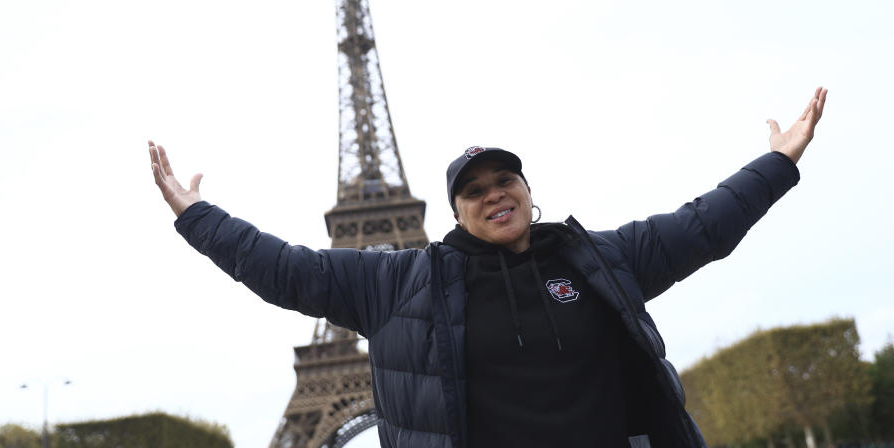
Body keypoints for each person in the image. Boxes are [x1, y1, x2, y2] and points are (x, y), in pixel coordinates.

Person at [149, 87, 827, 448]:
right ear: (454, 210)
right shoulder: (399, 284)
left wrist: (778, 162)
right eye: (475, 189)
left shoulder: (598, 259)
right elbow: (288, 271)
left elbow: (701, 227)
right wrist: (196, 215)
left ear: (530, 191)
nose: (494, 193)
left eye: (506, 180)